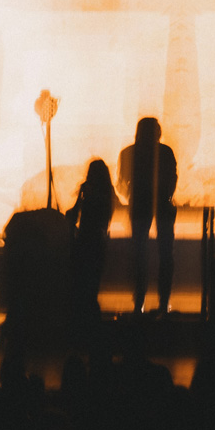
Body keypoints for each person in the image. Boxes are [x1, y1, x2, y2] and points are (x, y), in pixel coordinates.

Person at [117, 118, 179, 312]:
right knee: (166, 255)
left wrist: (132, 196)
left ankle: (139, 302)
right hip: (163, 206)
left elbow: (121, 182)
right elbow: (172, 178)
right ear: (158, 133)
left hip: (139, 206)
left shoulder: (128, 152)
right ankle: (164, 302)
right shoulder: (166, 152)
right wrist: (166, 195)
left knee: (139, 254)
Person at [71, 158, 116, 313]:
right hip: (98, 239)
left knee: (83, 278)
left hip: (87, 238)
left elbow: (75, 214)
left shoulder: (90, 193)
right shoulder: (108, 192)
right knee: (93, 280)